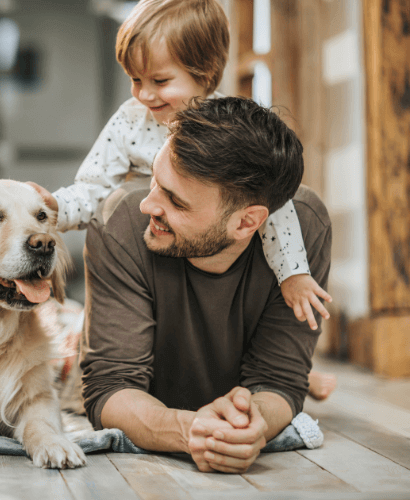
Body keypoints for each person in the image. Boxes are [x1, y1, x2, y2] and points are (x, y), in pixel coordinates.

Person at [29, 0, 335, 399]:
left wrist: (293, 273)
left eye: (158, 81)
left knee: (244, 319)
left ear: (204, 74)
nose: (143, 95)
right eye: (134, 80)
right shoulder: (130, 121)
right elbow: (93, 186)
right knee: (86, 328)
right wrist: (53, 209)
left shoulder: (230, 131)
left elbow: (272, 205)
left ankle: (293, 371)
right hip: (158, 258)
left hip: (211, 250)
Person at [80, 96, 332, 473]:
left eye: (175, 202)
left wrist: (253, 424)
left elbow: (278, 381)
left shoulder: (306, 229)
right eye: (155, 179)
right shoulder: (122, 223)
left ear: (247, 223)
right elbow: (109, 387)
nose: (148, 205)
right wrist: (189, 429)